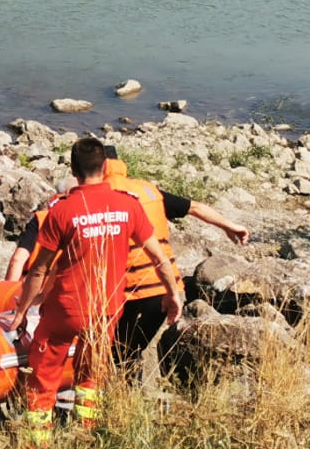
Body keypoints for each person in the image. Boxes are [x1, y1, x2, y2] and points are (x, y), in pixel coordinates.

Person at [9, 137, 183, 445]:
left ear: (73, 170)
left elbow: (38, 269)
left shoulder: (62, 212)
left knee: (44, 378)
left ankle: (38, 447)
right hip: (106, 311)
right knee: (91, 377)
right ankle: (86, 434)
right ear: (105, 167)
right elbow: (159, 258)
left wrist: (21, 311)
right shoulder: (128, 205)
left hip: (65, 310)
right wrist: (173, 295)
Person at [101, 147, 249, 368]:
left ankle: (115, 386)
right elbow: (195, 207)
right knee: (133, 350)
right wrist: (230, 226)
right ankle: (130, 382)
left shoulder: (93, 196)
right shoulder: (149, 191)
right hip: (165, 286)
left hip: (125, 288)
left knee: (114, 349)